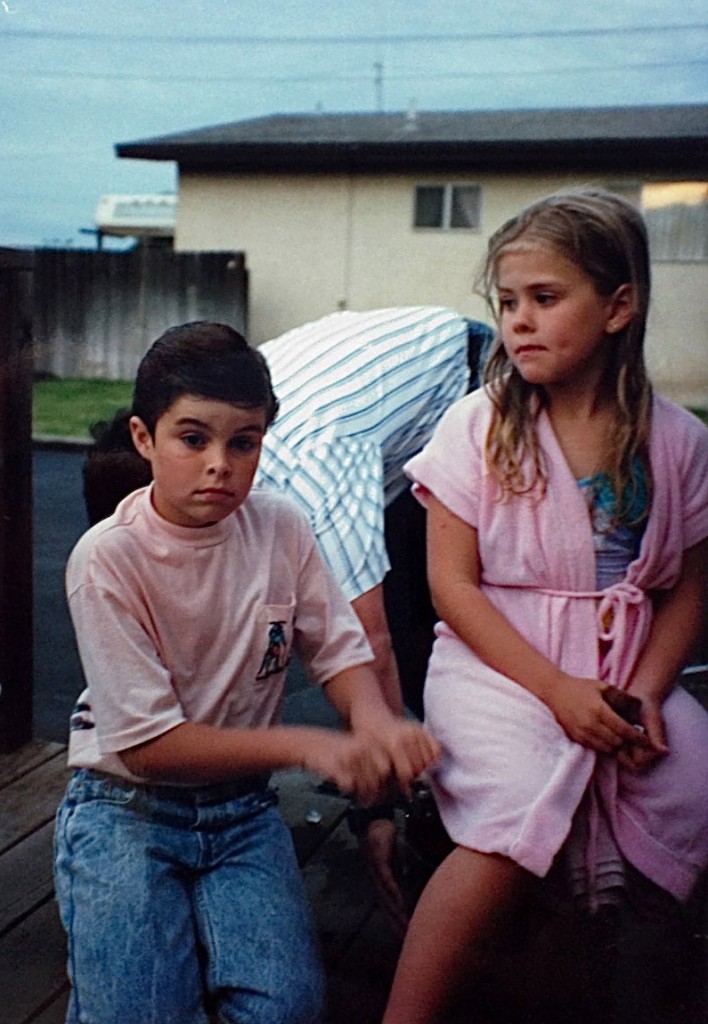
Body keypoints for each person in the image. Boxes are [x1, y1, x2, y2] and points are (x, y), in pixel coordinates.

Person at [382, 189, 708, 1023]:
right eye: (507, 302)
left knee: (688, 782)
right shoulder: (477, 428)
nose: (519, 321)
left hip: (627, 663)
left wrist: (649, 688)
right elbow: (450, 587)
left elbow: (690, 584)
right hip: (499, 662)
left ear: (619, 306)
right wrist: (556, 691)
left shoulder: (677, 443)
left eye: (546, 298)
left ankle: (622, 982)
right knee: (519, 813)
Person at [54, 321, 440, 1024]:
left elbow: (339, 647)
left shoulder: (281, 527)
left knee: (286, 1009)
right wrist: (310, 744)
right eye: (193, 438)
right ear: (144, 439)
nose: (220, 464)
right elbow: (147, 746)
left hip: (243, 813)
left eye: (245, 442)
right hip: (126, 808)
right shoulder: (107, 558)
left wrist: (379, 722)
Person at [254, 306, 492, 930]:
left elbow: (366, 641)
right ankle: (429, 790)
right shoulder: (241, 466)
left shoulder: (309, 470)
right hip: (373, 426)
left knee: (448, 622)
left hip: (466, 380)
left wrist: (374, 810)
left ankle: (459, 814)